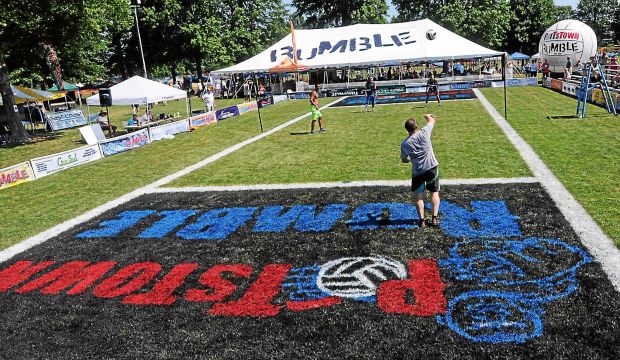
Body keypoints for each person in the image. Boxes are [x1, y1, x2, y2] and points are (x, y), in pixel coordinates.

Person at [400, 114, 440, 228]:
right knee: (434, 192)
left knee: (419, 196)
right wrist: (427, 115)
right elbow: (431, 119)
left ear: (406, 129)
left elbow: (404, 159)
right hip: (431, 168)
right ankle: (434, 218)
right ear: (416, 126)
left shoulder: (405, 144)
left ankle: (422, 221)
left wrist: (409, 159)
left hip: (417, 172)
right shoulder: (424, 132)